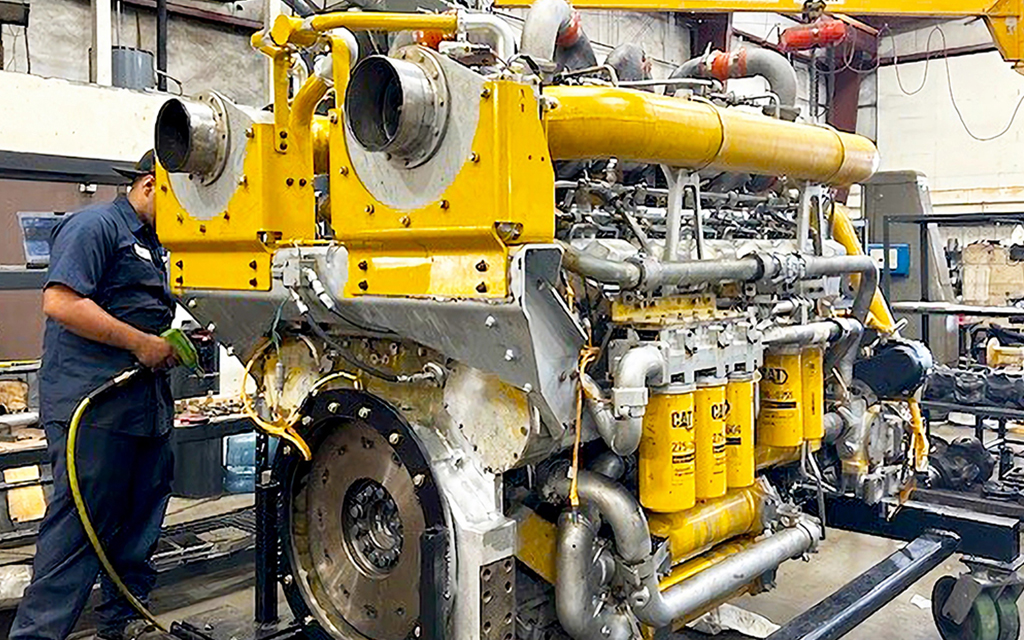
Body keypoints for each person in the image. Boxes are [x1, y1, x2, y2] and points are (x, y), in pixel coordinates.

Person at [11, 151, 179, 640]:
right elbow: (60, 302)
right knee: (79, 528)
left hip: (144, 405)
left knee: (140, 518)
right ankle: (36, 634)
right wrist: (141, 343)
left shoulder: (158, 242)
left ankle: (124, 621)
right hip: (94, 404)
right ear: (150, 185)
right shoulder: (95, 226)